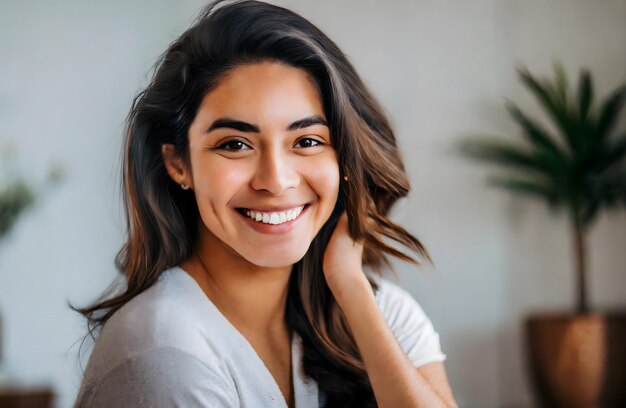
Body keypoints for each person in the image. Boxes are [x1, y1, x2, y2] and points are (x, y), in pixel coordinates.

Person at [72, 1, 457, 407]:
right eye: (235, 144)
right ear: (178, 162)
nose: (276, 181)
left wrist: (350, 287)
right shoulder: (164, 353)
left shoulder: (379, 311)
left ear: (343, 155)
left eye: (307, 141)